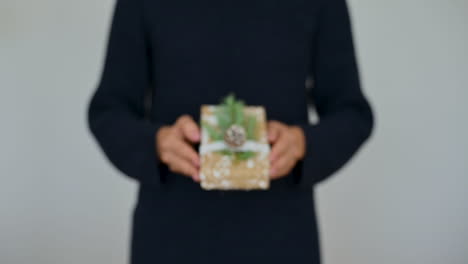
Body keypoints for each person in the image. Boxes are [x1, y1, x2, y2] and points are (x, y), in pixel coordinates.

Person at [87, 0, 373, 263]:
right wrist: (157, 144)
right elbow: (109, 110)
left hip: (280, 235)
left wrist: (303, 143)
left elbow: (351, 112)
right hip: (171, 233)